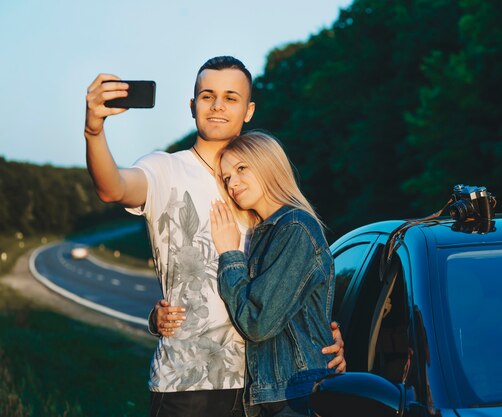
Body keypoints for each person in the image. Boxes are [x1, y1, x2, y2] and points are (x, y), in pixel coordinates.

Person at [84, 56, 345, 417]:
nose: (218, 105)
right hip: (188, 383)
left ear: (248, 110)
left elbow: (295, 281)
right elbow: (113, 188)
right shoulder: (165, 168)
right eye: (207, 96)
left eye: (230, 97)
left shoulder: (259, 184)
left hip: (263, 385)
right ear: (192, 106)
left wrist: (319, 339)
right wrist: (94, 131)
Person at [210, 131, 335, 417]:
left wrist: (229, 255)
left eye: (241, 168)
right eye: (227, 177)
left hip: (297, 394)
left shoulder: (295, 228)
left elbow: (257, 323)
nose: (233, 183)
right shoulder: (264, 234)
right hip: (276, 394)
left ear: (268, 164)